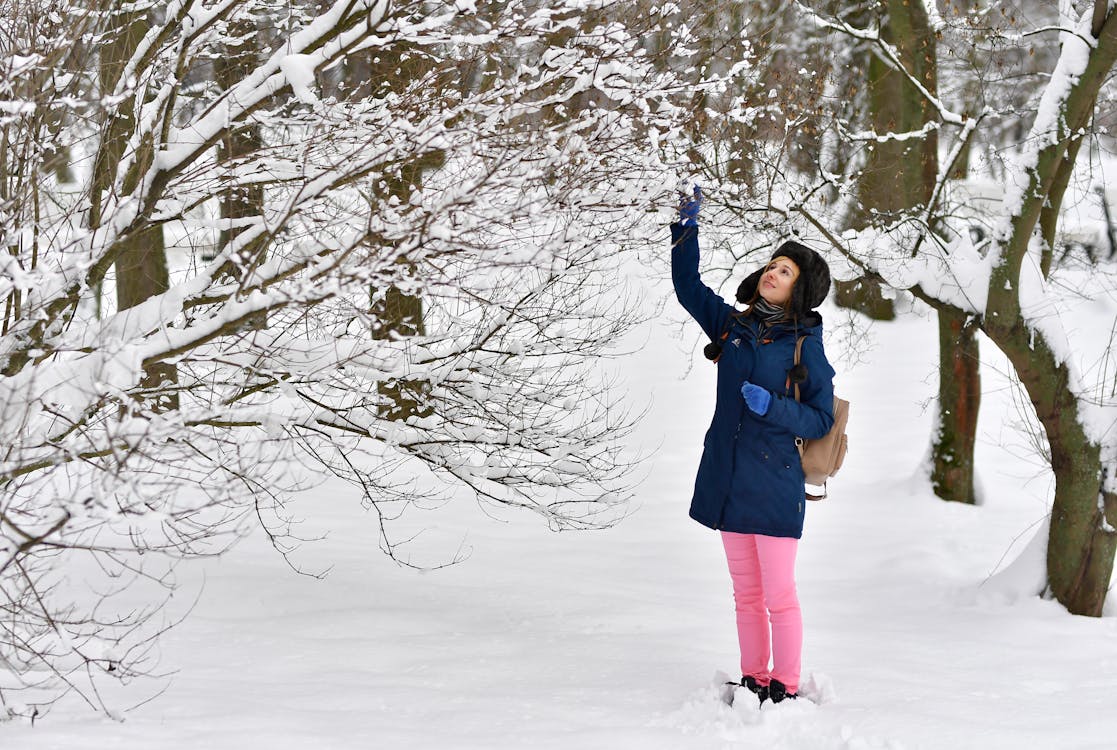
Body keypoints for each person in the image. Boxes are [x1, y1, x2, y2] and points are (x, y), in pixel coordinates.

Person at [670, 187, 835, 705]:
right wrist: (686, 226)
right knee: (745, 594)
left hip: (774, 479)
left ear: (801, 287)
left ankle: (785, 687)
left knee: (779, 597)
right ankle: (753, 680)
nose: (772, 272)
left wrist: (772, 407)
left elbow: (821, 417)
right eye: (772, 264)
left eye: (785, 270)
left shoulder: (806, 345)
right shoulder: (735, 327)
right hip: (729, 475)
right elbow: (687, 285)